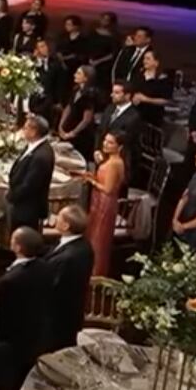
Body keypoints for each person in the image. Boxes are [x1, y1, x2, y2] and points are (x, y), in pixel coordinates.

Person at [0, 227, 51, 374]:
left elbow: (1, 311)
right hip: (37, 330)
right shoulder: (45, 267)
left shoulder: (9, 280)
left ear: (17, 247)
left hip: (13, 337)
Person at [42, 206, 94, 353]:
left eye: (59, 216)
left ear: (66, 225)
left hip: (57, 319)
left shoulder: (67, 257)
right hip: (70, 315)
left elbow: (50, 285)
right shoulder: (83, 245)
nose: (55, 218)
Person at [81, 132, 127, 277]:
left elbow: (108, 189)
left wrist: (92, 181)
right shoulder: (111, 160)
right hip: (99, 200)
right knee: (93, 234)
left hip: (105, 203)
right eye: (105, 141)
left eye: (110, 143)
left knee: (98, 238)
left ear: (119, 147)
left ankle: (95, 272)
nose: (105, 145)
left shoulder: (115, 163)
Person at [3, 116, 55, 235]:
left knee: (23, 241)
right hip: (21, 205)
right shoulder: (33, 146)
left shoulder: (41, 156)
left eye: (25, 127)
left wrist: (11, 195)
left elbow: (30, 185)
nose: (23, 129)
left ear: (33, 131)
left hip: (27, 209)